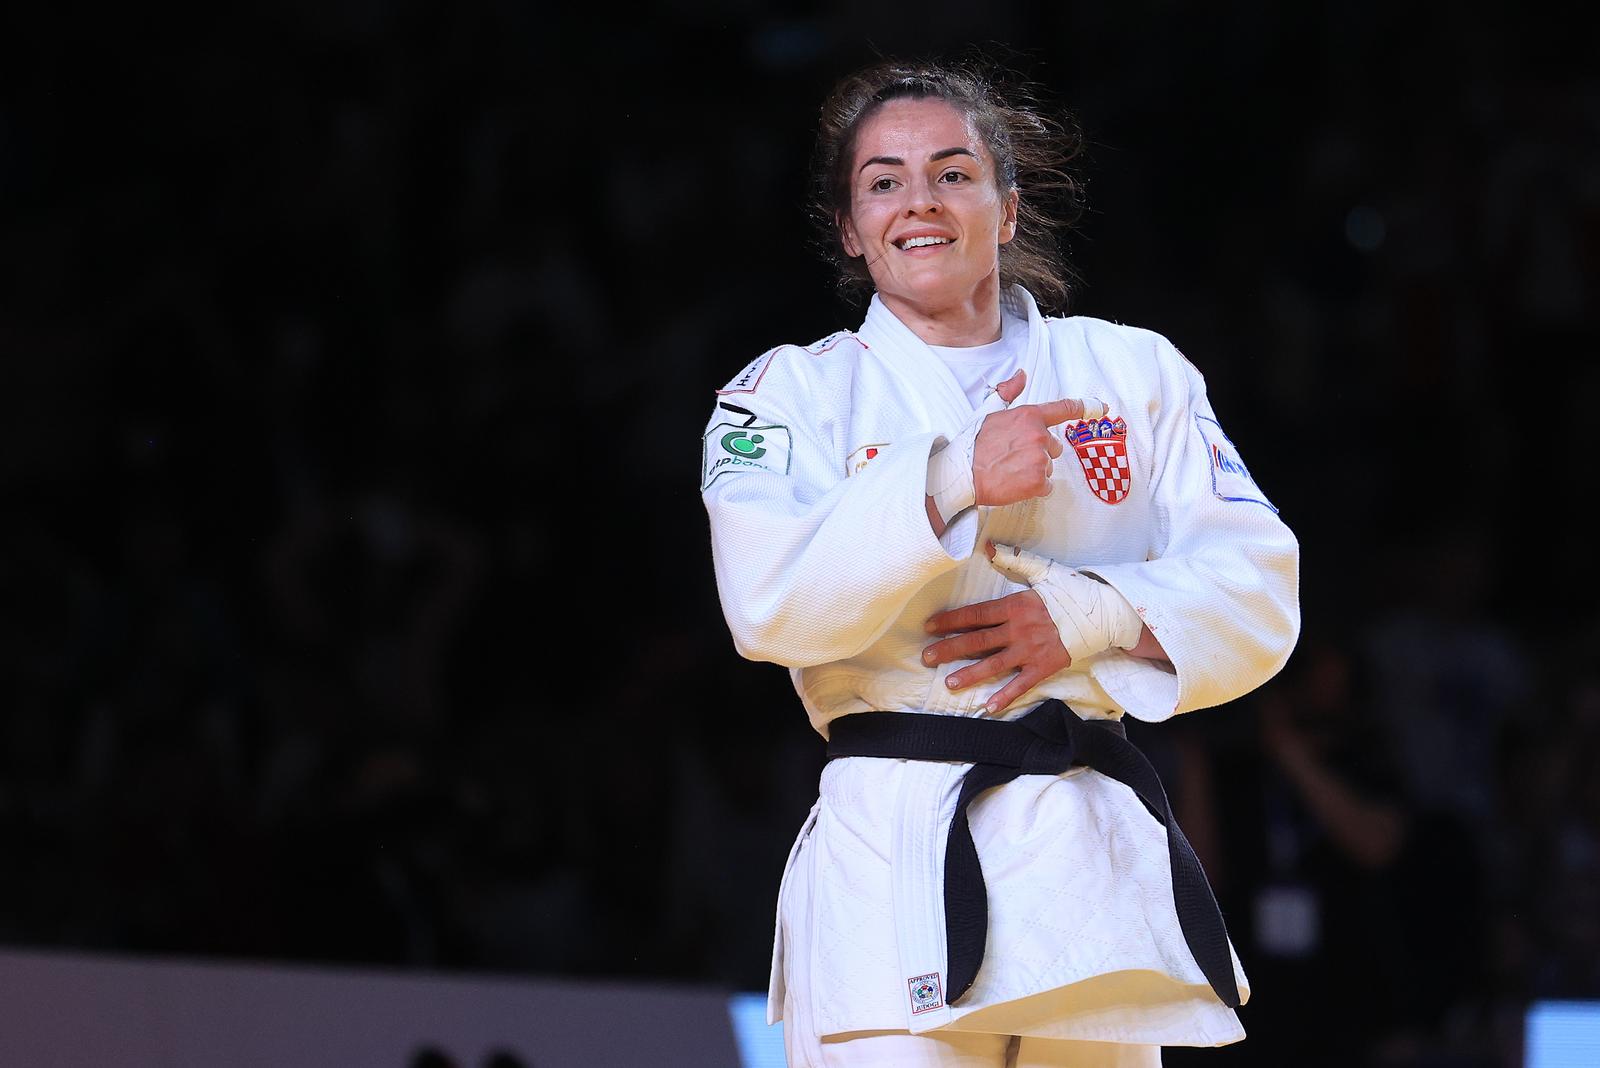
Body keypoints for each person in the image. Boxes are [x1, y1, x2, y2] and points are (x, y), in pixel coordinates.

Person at [699, 57, 1300, 1068]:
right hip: (892, 863)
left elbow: (1258, 584)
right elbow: (767, 609)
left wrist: (1092, 613)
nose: (918, 202)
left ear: (1007, 209)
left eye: (953, 173)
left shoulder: (1132, 373)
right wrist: (949, 479)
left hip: (1086, 875)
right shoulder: (783, 398)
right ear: (850, 229)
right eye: (883, 182)